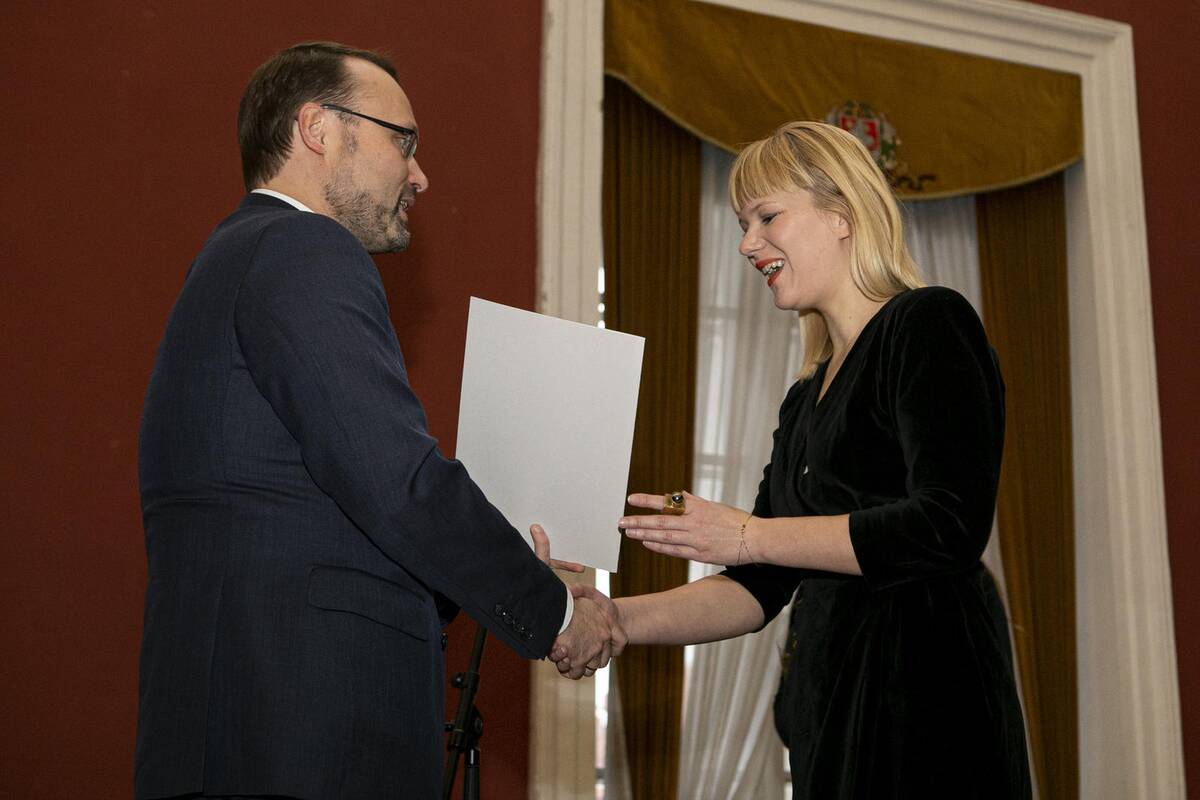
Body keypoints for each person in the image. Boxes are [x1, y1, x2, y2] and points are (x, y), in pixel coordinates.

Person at [136, 41, 614, 800]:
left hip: (240, 729)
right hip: (302, 737)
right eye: (403, 141)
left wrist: (505, 567)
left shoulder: (232, 256)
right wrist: (554, 611)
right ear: (318, 129)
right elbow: (395, 481)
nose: (420, 175)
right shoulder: (304, 247)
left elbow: (328, 508)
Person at [566, 121, 1031, 798]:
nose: (747, 244)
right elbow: (759, 584)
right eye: (742, 225)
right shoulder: (804, 399)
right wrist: (617, 620)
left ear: (841, 215)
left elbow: (947, 525)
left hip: (924, 702)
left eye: (766, 217)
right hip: (829, 711)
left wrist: (749, 534)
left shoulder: (928, 323)